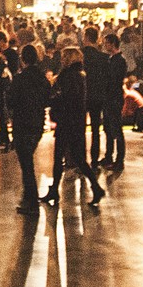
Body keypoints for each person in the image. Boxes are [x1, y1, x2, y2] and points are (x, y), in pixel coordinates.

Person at [45, 46, 101, 209]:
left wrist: (55, 102)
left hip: (66, 121)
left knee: (59, 158)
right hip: (75, 122)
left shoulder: (68, 76)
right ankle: (95, 188)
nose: (61, 59)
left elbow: (64, 98)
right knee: (79, 159)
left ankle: (55, 190)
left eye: (64, 56)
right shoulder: (80, 75)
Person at [7, 44, 53, 213]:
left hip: (22, 123)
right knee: (28, 160)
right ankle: (28, 196)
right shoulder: (42, 78)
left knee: (26, 163)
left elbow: (10, 101)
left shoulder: (19, 79)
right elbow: (48, 99)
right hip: (37, 123)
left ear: (23, 59)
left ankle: (31, 199)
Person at [90, 29, 128, 172]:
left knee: (116, 129)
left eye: (107, 43)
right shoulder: (110, 59)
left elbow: (114, 79)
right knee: (108, 128)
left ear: (113, 44)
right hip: (107, 98)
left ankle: (119, 158)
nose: (105, 46)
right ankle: (109, 155)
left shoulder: (119, 61)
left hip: (114, 98)